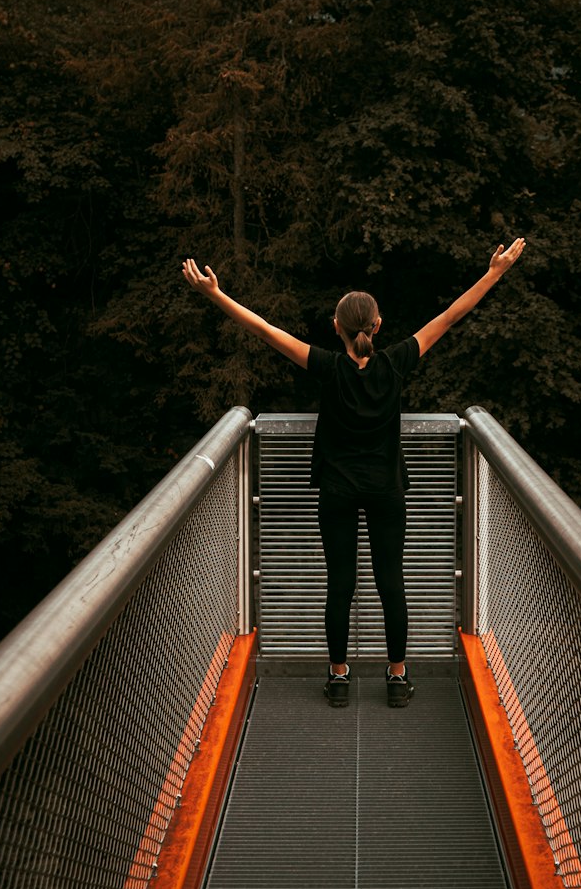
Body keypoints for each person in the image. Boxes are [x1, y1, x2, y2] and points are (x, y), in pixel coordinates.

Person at [182, 240, 526, 708]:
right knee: (392, 582)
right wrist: (495, 272)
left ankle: (339, 676)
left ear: (336, 328)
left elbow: (264, 330)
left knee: (340, 583)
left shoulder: (326, 366)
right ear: (377, 326)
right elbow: (450, 317)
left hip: (337, 491)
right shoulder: (396, 362)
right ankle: (398, 677)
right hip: (386, 490)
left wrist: (215, 294)